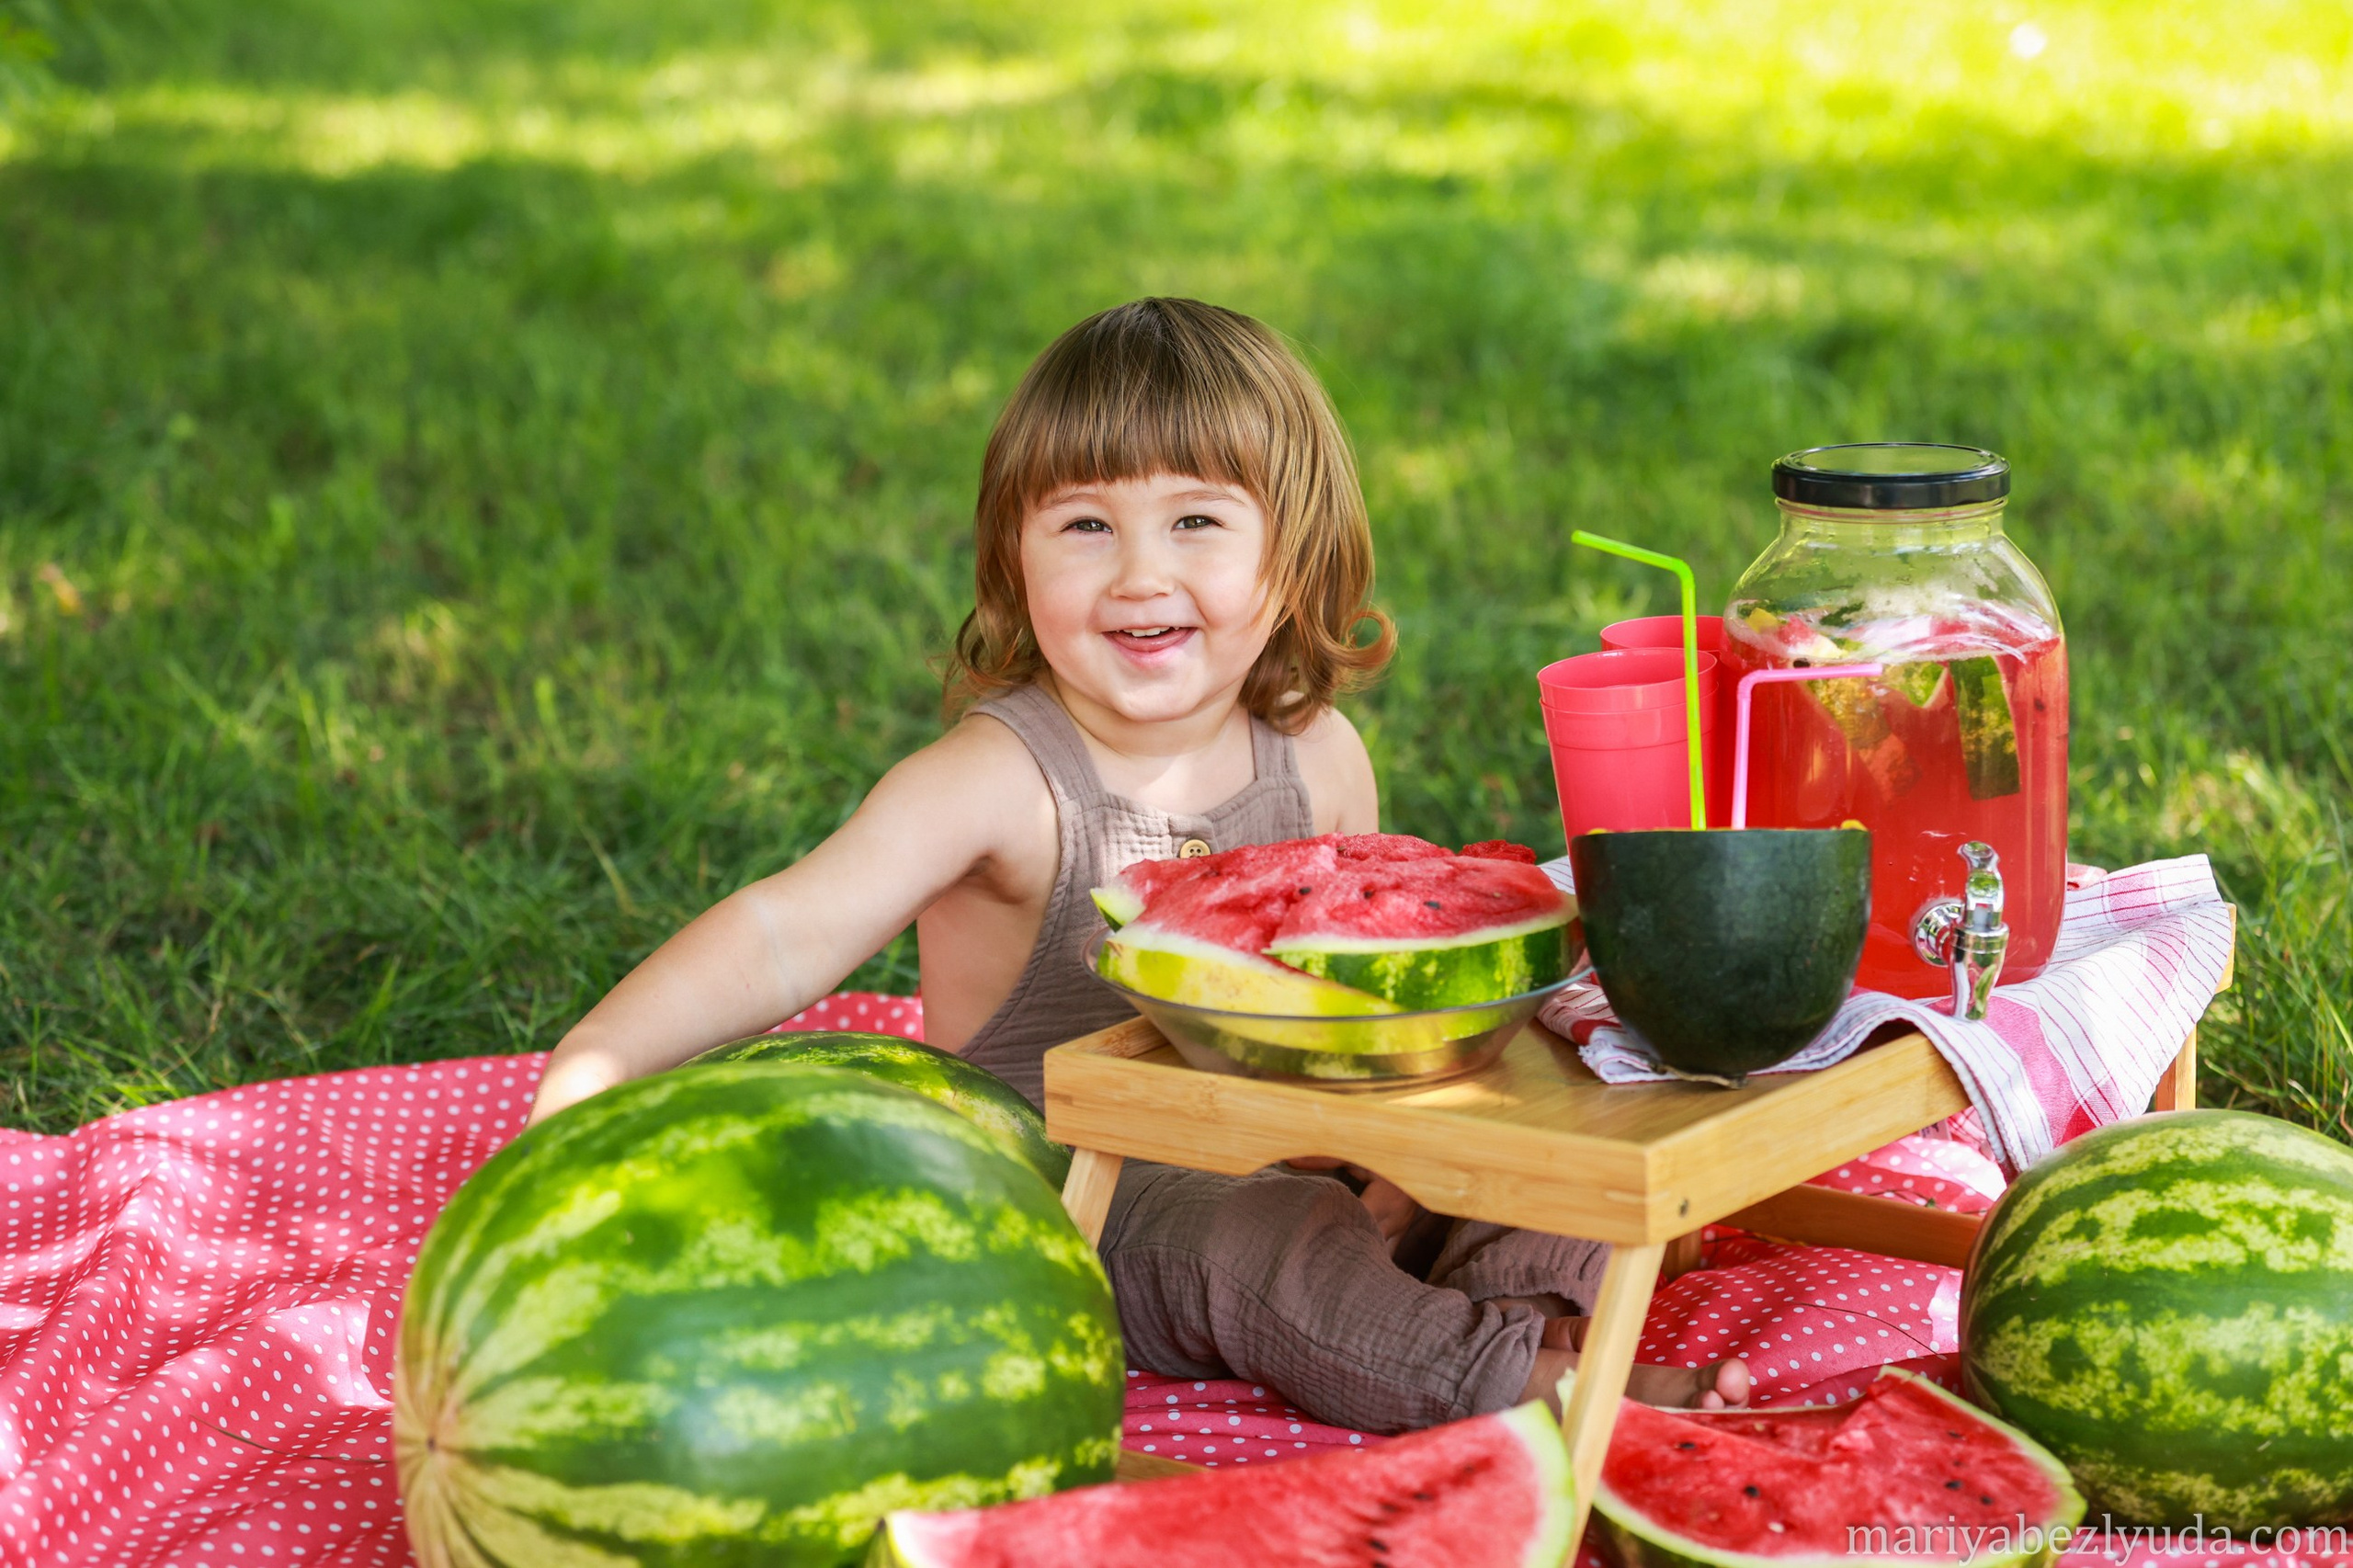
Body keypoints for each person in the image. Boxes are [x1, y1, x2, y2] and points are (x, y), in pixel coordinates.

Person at [528, 297, 1749, 1429]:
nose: (1140, 574)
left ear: (1292, 555)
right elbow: (783, 930)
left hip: (1311, 1154)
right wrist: (593, 1070)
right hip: (1074, 1196)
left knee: (1550, 1119)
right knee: (1261, 1243)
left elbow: (1366, 1007)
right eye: (1085, 526)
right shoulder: (995, 780)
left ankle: (1532, 1308)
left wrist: (1403, 1162)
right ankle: (1535, 1384)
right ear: (1015, 559)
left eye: (1197, 521)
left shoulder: (1318, 754)